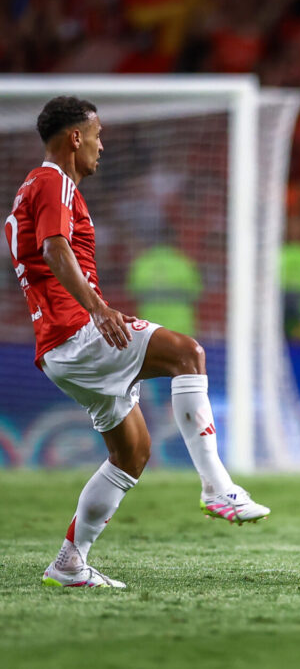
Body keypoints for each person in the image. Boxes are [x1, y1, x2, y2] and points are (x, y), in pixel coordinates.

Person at [3, 97, 270, 589]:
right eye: (97, 135)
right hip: (77, 333)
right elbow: (55, 249)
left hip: (57, 349)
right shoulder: (52, 181)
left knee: (132, 454)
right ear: (74, 138)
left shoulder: (32, 190)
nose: (103, 146)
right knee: (188, 354)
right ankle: (218, 488)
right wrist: (98, 309)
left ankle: (69, 563)